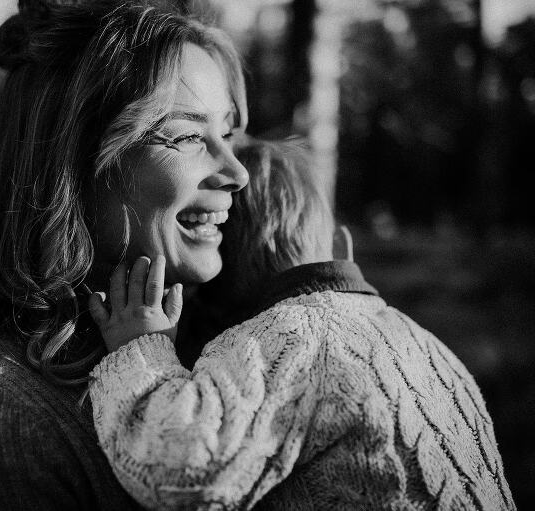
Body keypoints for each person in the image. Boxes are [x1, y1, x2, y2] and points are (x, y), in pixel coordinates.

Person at [0, 1, 253, 509]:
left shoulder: (242, 353)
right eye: (185, 136)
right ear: (74, 166)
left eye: (226, 134)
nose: (237, 173)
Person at [88, 139, 515, 510]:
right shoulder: (429, 346)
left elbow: (178, 471)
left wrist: (141, 350)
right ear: (341, 246)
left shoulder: (282, 341)